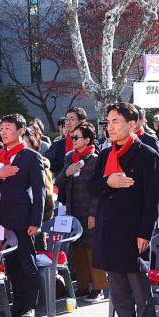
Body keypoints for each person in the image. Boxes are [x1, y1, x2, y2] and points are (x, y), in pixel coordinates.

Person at [90, 102, 159, 317]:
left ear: (131, 125)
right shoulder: (105, 154)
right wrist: (108, 182)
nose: (109, 127)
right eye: (107, 123)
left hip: (133, 230)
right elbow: (93, 187)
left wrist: (145, 231)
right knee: (117, 288)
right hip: (109, 228)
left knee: (139, 288)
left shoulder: (147, 154)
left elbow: (153, 197)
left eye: (115, 122)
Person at [0, 113, 46, 317]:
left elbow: (39, 191)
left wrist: (36, 221)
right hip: (2, 219)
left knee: (26, 263)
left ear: (20, 131)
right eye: (1, 128)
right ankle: (17, 304)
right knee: (11, 264)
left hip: (22, 218)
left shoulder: (30, 156)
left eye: (8, 128)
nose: (3, 132)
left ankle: (30, 306)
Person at [55, 122, 107, 300]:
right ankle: (83, 286)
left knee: (92, 249)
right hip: (73, 209)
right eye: (72, 137)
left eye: (77, 137)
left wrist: (94, 213)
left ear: (87, 139)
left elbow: (98, 190)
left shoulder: (96, 159)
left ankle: (98, 288)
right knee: (77, 248)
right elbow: (59, 182)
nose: (73, 140)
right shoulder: (70, 157)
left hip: (89, 210)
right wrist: (67, 173)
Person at [46, 107, 86, 174]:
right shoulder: (58, 144)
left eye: (72, 119)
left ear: (81, 121)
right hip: (63, 182)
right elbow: (49, 163)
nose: (68, 122)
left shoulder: (90, 142)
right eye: (66, 119)